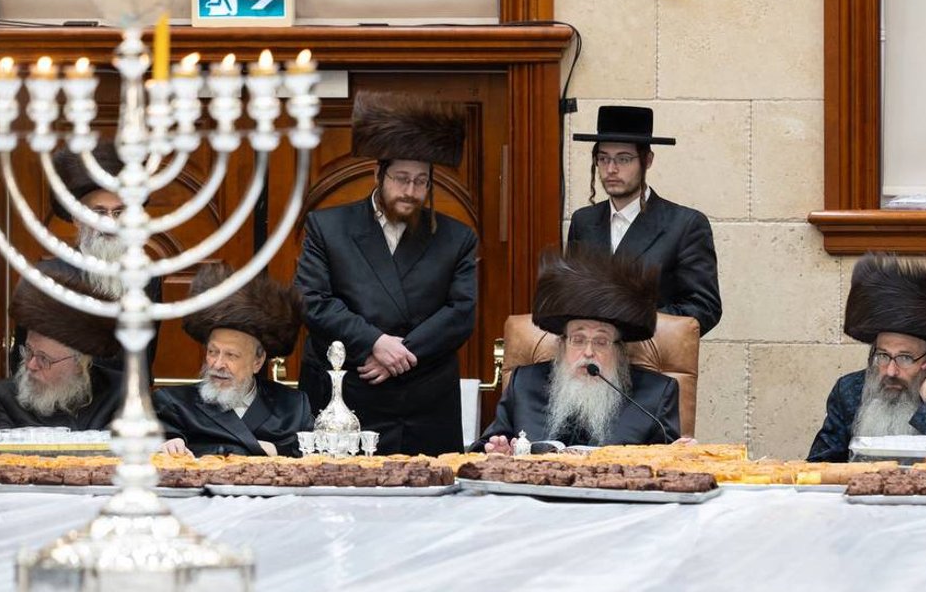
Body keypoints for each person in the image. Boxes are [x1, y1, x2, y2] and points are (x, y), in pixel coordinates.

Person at [294, 92, 477, 456]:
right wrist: (375, 342)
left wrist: (400, 355)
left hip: (424, 399)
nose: (410, 191)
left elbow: (461, 314)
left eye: (421, 181)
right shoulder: (327, 227)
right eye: (401, 178)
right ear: (377, 174)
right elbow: (312, 301)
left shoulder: (457, 237)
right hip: (348, 392)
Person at [479, 251, 678, 451]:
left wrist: (685, 453)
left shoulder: (656, 395)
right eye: (578, 339)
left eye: (601, 341)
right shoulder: (524, 384)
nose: (588, 352)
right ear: (562, 344)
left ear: (619, 350)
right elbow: (481, 449)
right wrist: (497, 452)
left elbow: (672, 461)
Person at [807, 253, 926, 462]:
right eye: (883, 356)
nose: (891, 371)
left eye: (905, 358)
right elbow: (820, 462)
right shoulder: (849, 390)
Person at [566, 106, 721, 336]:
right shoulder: (583, 221)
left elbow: (704, 308)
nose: (611, 169)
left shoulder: (685, 225)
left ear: (647, 160)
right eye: (603, 158)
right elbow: (571, 296)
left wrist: (634, 326)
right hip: (590, 353)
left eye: (624, 159)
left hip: (651, 354)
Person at [10, 143, 162, 377]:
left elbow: (144, 358)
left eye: (119, 212)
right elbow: (24, 358)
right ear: (77, 218)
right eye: (99, 212)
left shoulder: (148, 278)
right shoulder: (45, 277)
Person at [154, 265, 313, 458]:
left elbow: (313, 456)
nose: (218, 364)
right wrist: (167, 444)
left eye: (231, 355)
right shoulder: (174, 404)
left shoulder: (293, 407)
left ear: (258, 361)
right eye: (213, 352)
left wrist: (274, 451)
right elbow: (149, 445)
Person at [0, 273, 122, 430]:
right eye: (29, 351)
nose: (31, 365)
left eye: (44, 359)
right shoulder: (5, 398)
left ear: (79, 364)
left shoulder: (122, 394)